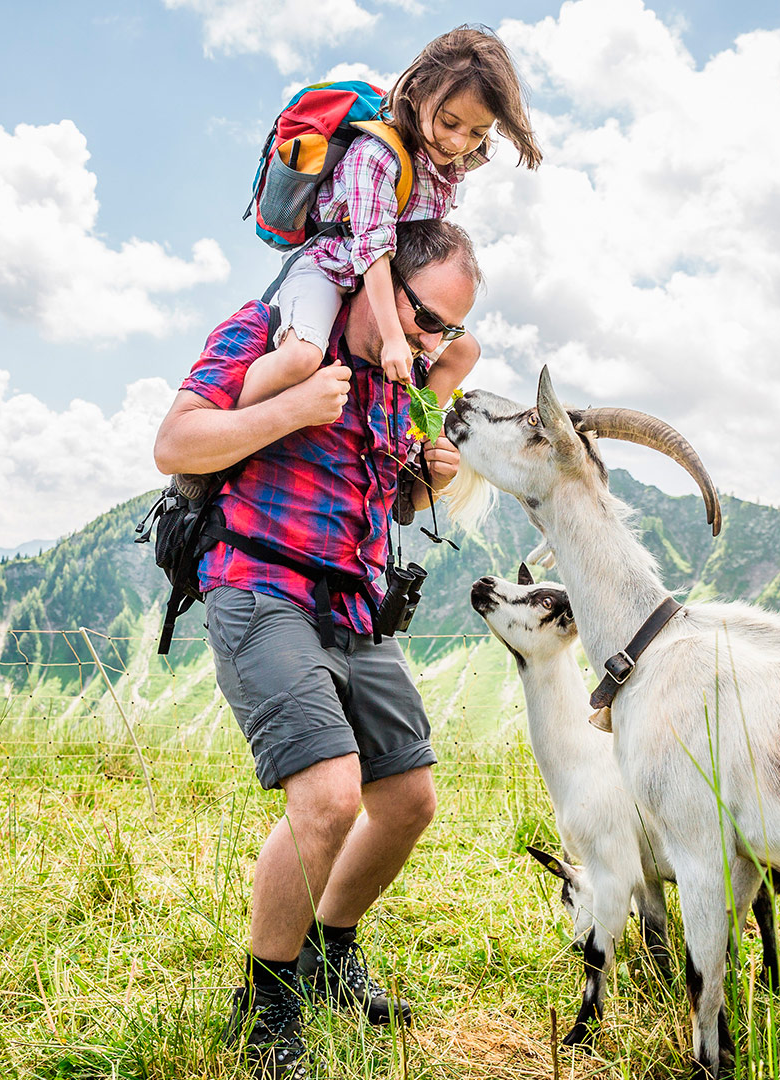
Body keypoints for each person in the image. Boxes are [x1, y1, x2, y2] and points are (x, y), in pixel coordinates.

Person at [152, 219, 481, 1079]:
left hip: (355, 607)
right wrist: (292, 405)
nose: (431, 339)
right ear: (380, 283)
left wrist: (424, 479)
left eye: (446, 329)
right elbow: (175, 444)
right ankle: (265, 1012)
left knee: (407, 799)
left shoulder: (398, 381)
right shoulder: (274, 332)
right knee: (330, 797)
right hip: (258, 586)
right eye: (424, 317)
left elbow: (390, 499)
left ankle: (329, 956)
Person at [238, 24, 538, 410]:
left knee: (465, 351)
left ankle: (416, 441)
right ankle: (229, 433)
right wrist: (394, 337)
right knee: (301, 356)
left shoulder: (447, 166)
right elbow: (372, 249)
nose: (459, 142)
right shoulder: (374, 155)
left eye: (478, 132)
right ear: (417, 94)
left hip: (391, 281)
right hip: (333, 265)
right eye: (449, 122)